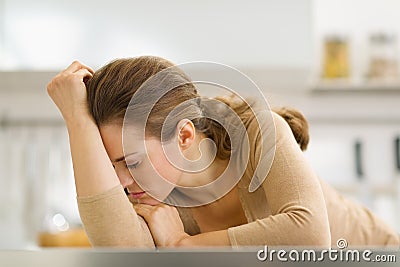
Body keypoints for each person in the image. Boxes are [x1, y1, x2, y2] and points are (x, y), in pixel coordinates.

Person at [47, 57, 400, 248]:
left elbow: (309, 236)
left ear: (184, 136)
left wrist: (183, 245)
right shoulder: (151, 195)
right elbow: (122, 252)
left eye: (132, 162)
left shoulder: (259, 131)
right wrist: (77, 119)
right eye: (112, 168)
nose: (122, 183)